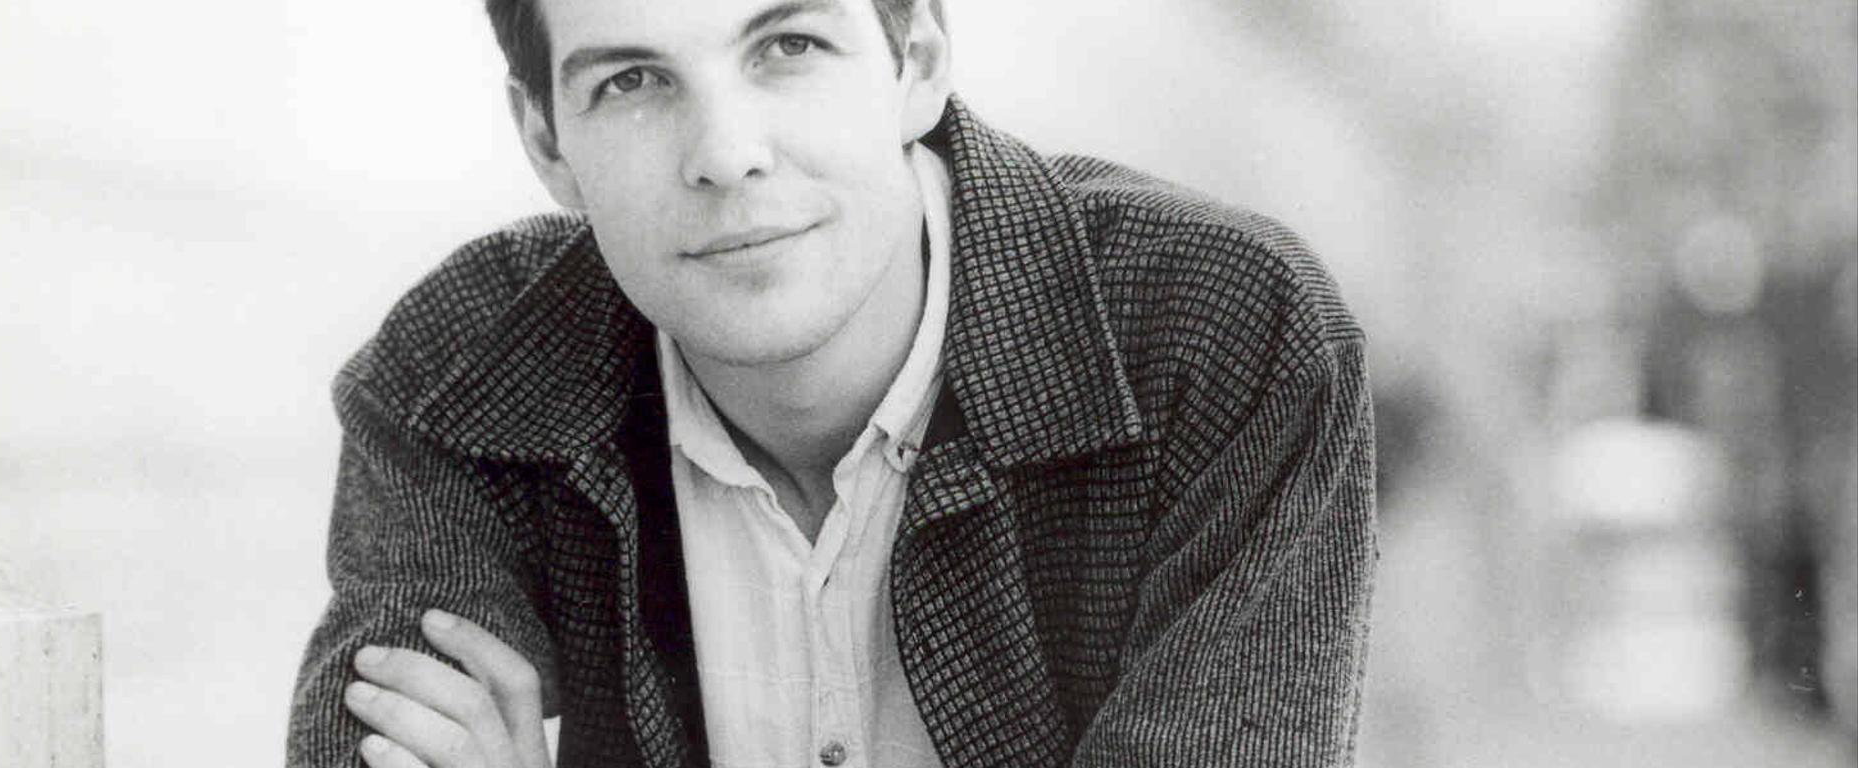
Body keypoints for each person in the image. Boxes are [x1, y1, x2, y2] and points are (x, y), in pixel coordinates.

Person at [287, 0, 1378, 765]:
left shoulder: (1222, 333)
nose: (727, 153)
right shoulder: (463, 373)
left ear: (918, 63)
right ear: (546, 143)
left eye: (789, 45)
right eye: (632, 82)